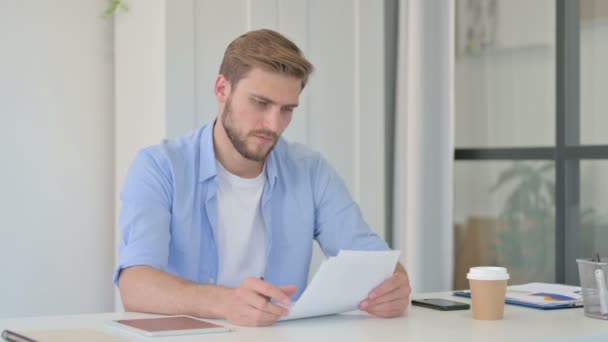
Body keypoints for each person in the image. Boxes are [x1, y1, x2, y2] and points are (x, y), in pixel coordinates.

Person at [115, 29, 411, 327]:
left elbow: (372, 258)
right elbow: (135, 284)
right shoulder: (159, 167)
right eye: (260, 103)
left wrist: (394, 283)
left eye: (287, 110)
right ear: (222, 89)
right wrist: (225, 302)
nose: (273, 124)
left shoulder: (309, 170)